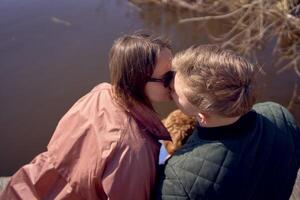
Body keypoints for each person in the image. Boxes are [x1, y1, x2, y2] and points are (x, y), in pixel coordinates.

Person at [0, 33, 174, 199]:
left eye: (174, 72)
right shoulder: (134, 149)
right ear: (138, 80)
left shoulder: (101, 93)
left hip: (24, 187)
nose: (174, 82)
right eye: (167, 77)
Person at [156, 45, 300, 200]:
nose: (169, 88)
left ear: (202, 115)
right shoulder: (280, 115)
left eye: (175, 91)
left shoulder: (179, 180)